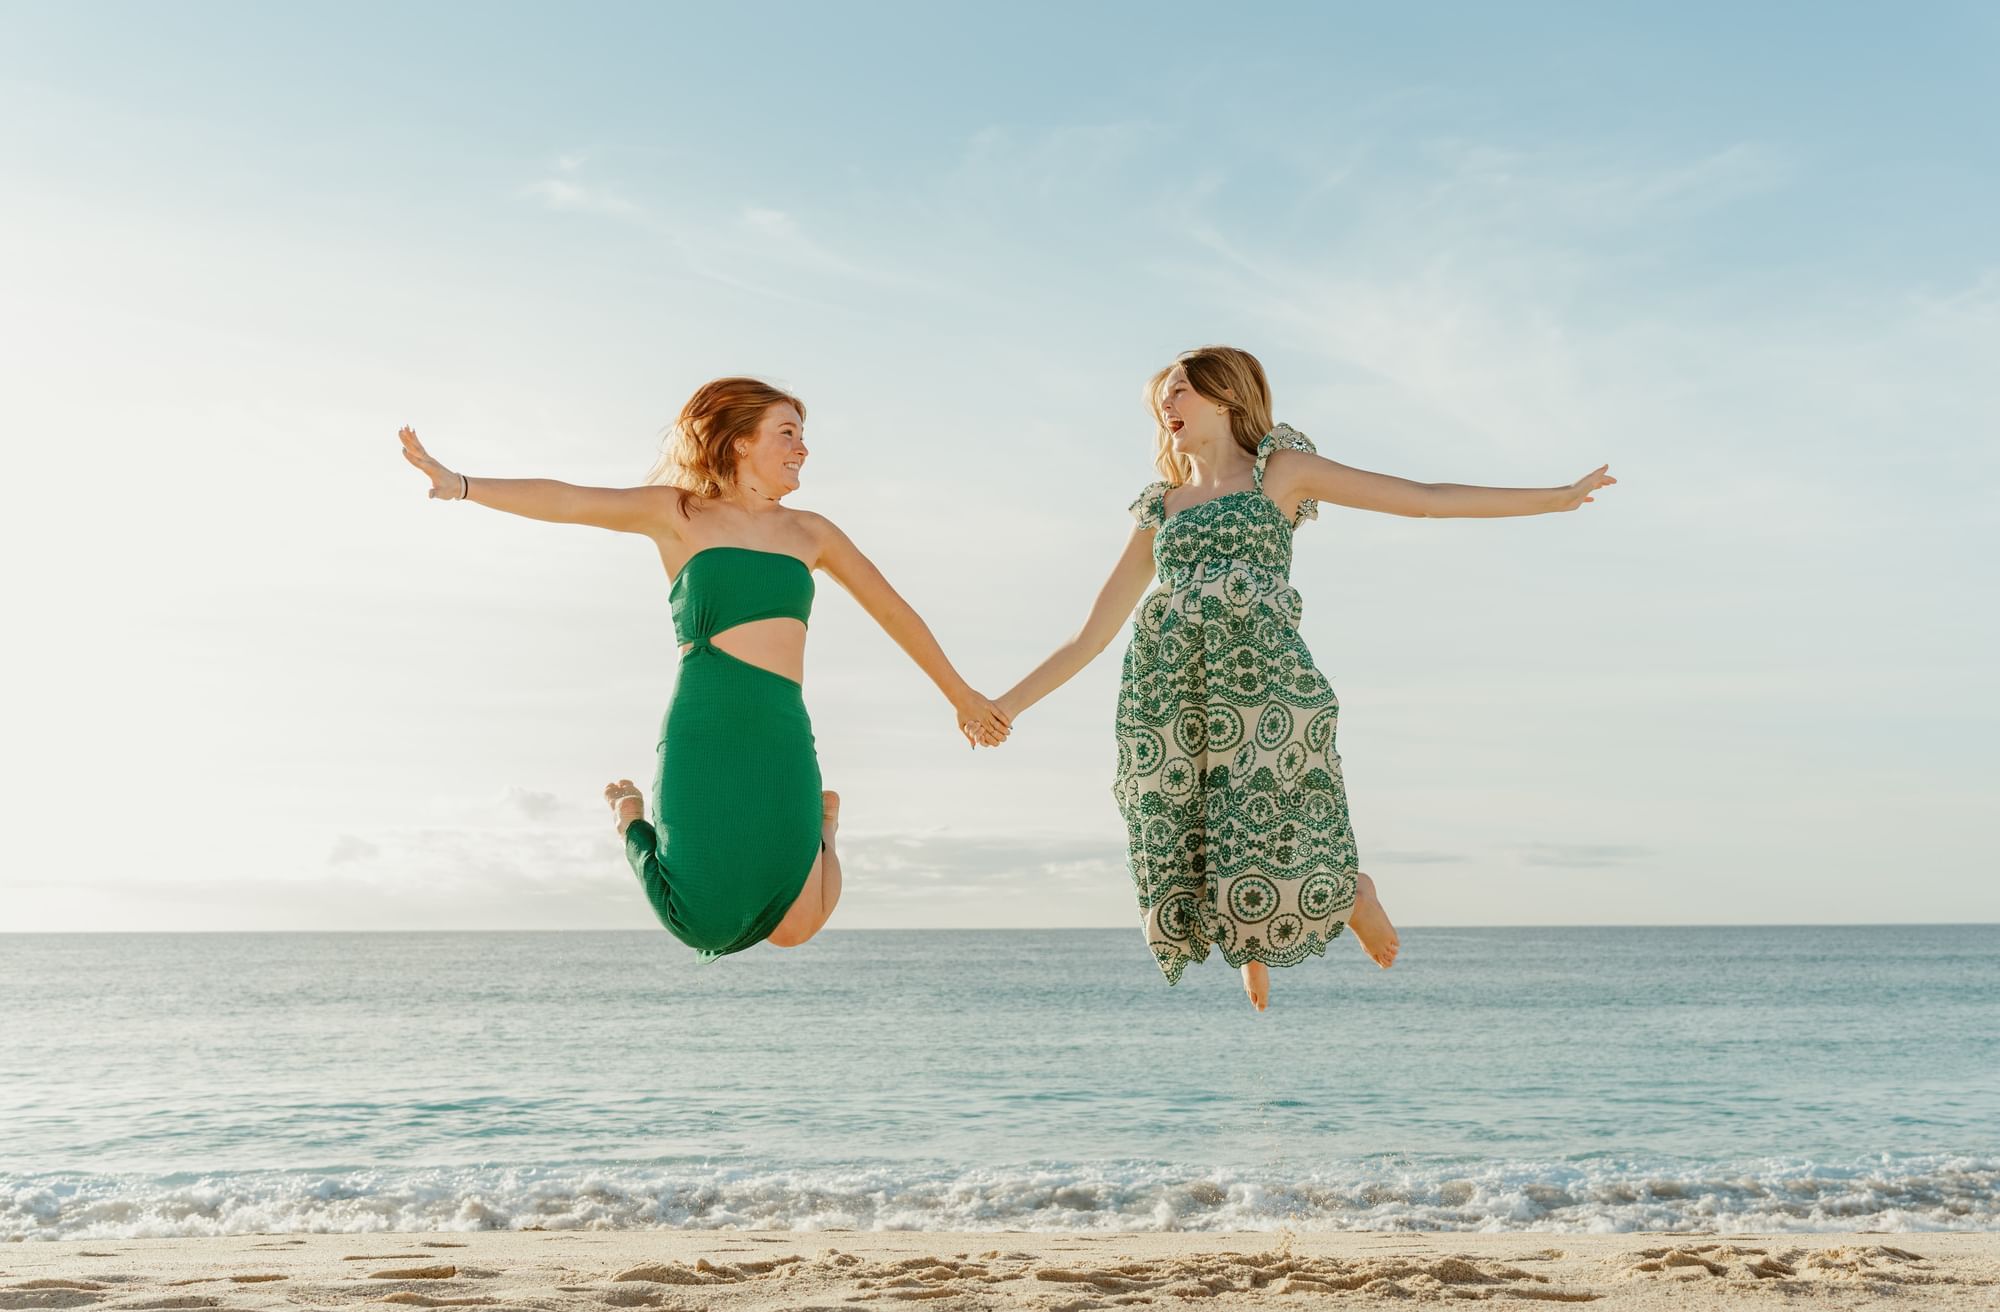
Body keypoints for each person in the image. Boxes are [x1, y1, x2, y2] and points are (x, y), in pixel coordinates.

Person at [997, 347, 1615, 1010]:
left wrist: (1555, 499)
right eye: (1162, 397)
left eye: (1181, 391)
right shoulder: (1160, 509)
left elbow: (1424, 500)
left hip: (1262, 676)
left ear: (1226, 397)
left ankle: (1350, 892)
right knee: (1188, 819)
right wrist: (1002, 705)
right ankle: (1250, 940)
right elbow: (1089, 635)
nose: (1166, 406)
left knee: (1268, 804)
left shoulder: (1280, 472)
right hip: (1175, 692)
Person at [398, 377, 1009, 959]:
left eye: (801, 435)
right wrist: (463, 484)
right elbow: (568, 498)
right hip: (705, 722)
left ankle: (824, 827)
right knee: (699, 924)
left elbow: (894, 611)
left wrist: (961, 696)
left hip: (778, 727)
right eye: (788, 433)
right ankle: (630, 822)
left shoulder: (811, 532)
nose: (803, 448)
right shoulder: (679, 514)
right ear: (743, 440)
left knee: (795, 931)